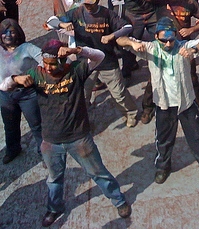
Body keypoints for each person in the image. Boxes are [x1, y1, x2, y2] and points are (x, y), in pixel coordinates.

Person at [2, 40, 131, 226]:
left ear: (63, 61)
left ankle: (118, 200)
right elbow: (3, 86)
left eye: (52, 64)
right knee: (54, 180)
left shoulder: (76, 70)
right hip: (50, 140)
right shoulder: (36, 74)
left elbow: (99, 56)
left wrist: (76, 50)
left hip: (79, 138)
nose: (48, 68)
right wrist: (16, 79)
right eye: (45, 63)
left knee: (98, 173)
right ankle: (54, 208)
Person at [116, 17, 199, 186]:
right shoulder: (150, 48)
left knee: (198, 137)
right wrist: (133, 44)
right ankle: (163, 167)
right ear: (156, 37)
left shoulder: (183, 47)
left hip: (186, 102)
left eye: (171, 40)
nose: (167, 44)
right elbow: (121, 40)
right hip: (164, 104)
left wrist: (194, 49)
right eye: (163, 40)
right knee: (163, 139)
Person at [48, 0, 139, 127]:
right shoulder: (77, 12)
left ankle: (131, 113)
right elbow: (51, 21)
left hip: (107, 60)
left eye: (90, 3)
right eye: (85, 3)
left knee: (119, 93)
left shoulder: (107, 14)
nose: (88, 6)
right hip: (85, 62)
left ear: (97, 1)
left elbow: (127, 26)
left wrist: (111, 36)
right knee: (82, 95)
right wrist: (63, 24)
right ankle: (82, 122)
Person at [0, 19, 42, 164]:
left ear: (18, 34)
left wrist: (35, 75)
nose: (8, 35)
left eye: (11, 31)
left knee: (36, 125)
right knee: (10, 125)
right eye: (4, 32)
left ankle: (44, 152)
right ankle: (13, 149)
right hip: (5, 95)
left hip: (27, 94)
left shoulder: (27, 48)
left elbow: (45, 59)